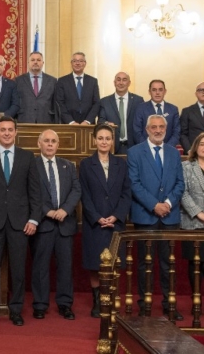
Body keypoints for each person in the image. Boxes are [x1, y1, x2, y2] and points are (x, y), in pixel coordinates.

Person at [0, 116, 41, 326]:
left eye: (10, 130)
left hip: (20, 223)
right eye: (2, 130)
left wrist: (33, 219)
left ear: (15, 132)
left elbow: (35, 193)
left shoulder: (27, 157)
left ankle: (16, 310)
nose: (6, 133)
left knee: (18, 270)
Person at [127, 114, 185, 320]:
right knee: (146, 263)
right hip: (146, 216)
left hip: (170, 217)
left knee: (169, 264)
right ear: (147, 129)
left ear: (166, 129)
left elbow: (180, 183)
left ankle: (170, 304)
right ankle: (145, 304)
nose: (158, 130)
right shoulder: (134, 152)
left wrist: (167, 204)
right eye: (154, 127)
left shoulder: (174, 153)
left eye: (162, 127)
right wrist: (154, 205)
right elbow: (134, 184)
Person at [79, 124, 131, 318]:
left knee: (114, 264)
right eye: (100, 138)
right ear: (94, 140)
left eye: (107, 138)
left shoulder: (121, 164)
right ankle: (98, 302)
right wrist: (97, 217)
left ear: (112, 141)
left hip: (115, 223)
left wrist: (116, 216)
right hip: (95, 223)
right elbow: (84, 194)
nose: (104, 141)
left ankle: (111, 299)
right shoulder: (86, 164)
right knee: (95, 264)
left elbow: (126, 193)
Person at [31, 129, 81, 321]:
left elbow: (76, 190)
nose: (50, 144)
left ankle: (65, 304)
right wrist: (48, 211)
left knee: (65, 267)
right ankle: (40, 304)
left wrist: (65, 210)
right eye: (46, 141)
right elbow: (31, 193)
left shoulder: (68, 165)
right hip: (43, 225)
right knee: (40, 267)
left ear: (58, 145)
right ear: (39, 144)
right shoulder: (32, 166)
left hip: (65, 225)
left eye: (54, 141)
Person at [180, 132, 204, 293]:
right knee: (195, 264)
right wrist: (199, 214)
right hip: (192, 223)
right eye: (202, 144)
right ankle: (196, 299)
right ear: (196, 146)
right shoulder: (186, 166)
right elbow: (183, 193)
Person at [98, 72, 144, 154]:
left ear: (129, 83)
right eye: (118, 80)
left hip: (134, 146)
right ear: (114, 82)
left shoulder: (138, 101)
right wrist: (107, 123)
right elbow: (100, 121)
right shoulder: (105, 101)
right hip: (112, 147)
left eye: (124, 80)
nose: (121, 83)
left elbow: (143, 123)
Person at [55, 52, 100, 125]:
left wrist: (87, 121)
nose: (77, 63)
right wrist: (71, 121)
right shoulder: (62, 81)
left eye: (80, 61)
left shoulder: (93, 81)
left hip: (88, 125)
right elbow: (60, 103)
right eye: (75, 61)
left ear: (85, 63)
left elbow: (96, 103)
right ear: (71, 63)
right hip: (68, 125)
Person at [133, 79, 180, 147]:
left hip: (167, 150)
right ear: (149, 92)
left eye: (160, 90)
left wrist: (166, 148)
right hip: (146, 150)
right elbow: (137, 131)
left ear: (165, 91)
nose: (157, 93)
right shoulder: (141, 108)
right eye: (154, 90)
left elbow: (176, 132)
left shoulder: (173, 109)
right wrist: (148, 147)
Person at [15, 52, 58, 123]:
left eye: (38, 60)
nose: (35, 62)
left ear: (43, 63)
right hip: (24, 120)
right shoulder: (18, 80)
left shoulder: (52, 81)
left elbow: (55, 104)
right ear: (28, 62)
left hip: (46, 120)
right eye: (32, 60)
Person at [180, 82, 204, 154]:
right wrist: (189, 150)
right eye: (200, 90)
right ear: (196, 94)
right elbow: (182, 134)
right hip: (193, 152)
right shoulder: (187, 111)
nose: (203, 92)